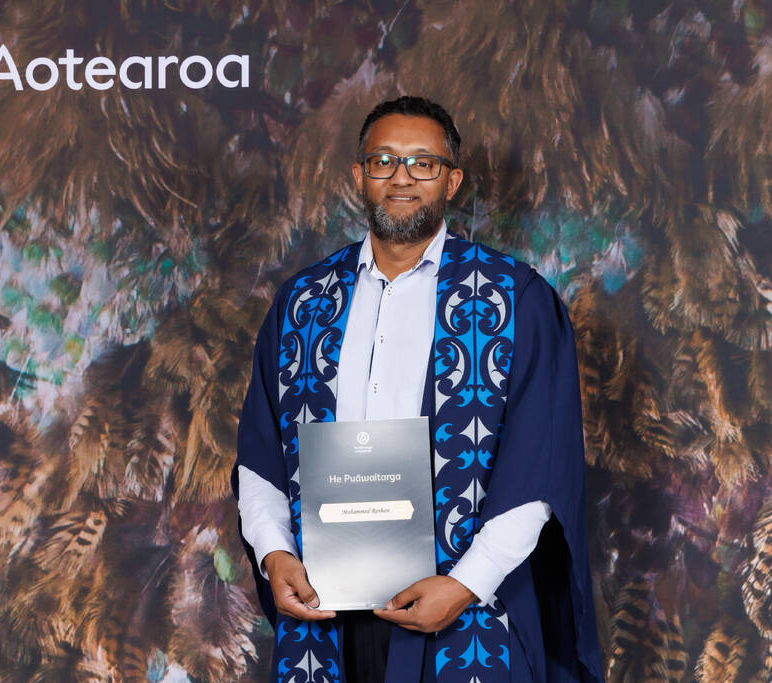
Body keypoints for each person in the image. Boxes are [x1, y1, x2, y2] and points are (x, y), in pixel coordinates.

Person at [232, 96, 603, 682]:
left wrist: (465, 583)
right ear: (360, 175)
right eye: (383, 160)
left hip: (463, 607)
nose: (401, 177)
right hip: (325, 611)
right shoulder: (303, 304)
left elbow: (541, 466)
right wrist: (274, 554)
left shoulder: (514, 300)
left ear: (451, 180)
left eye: (422, 163)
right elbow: (260, 456)